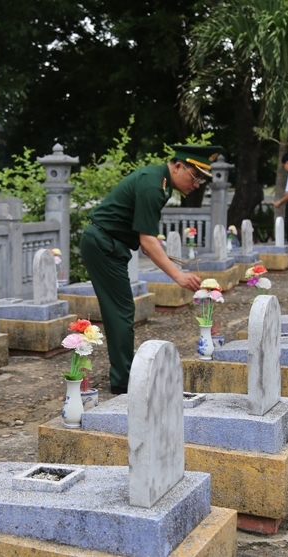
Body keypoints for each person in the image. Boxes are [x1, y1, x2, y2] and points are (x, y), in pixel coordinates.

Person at [80, 145, 218, 394]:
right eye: (195, 176)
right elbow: (147, 241)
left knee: (121, 310)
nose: (196, 184)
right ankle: (122, 380)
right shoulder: (153, 186)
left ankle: (124, 373)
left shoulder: (160, 182)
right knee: (120, 312)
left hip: (111, 244)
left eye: (200, 180)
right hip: (103, 244)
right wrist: (178, 276)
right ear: (177, 166)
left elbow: (146, 237)